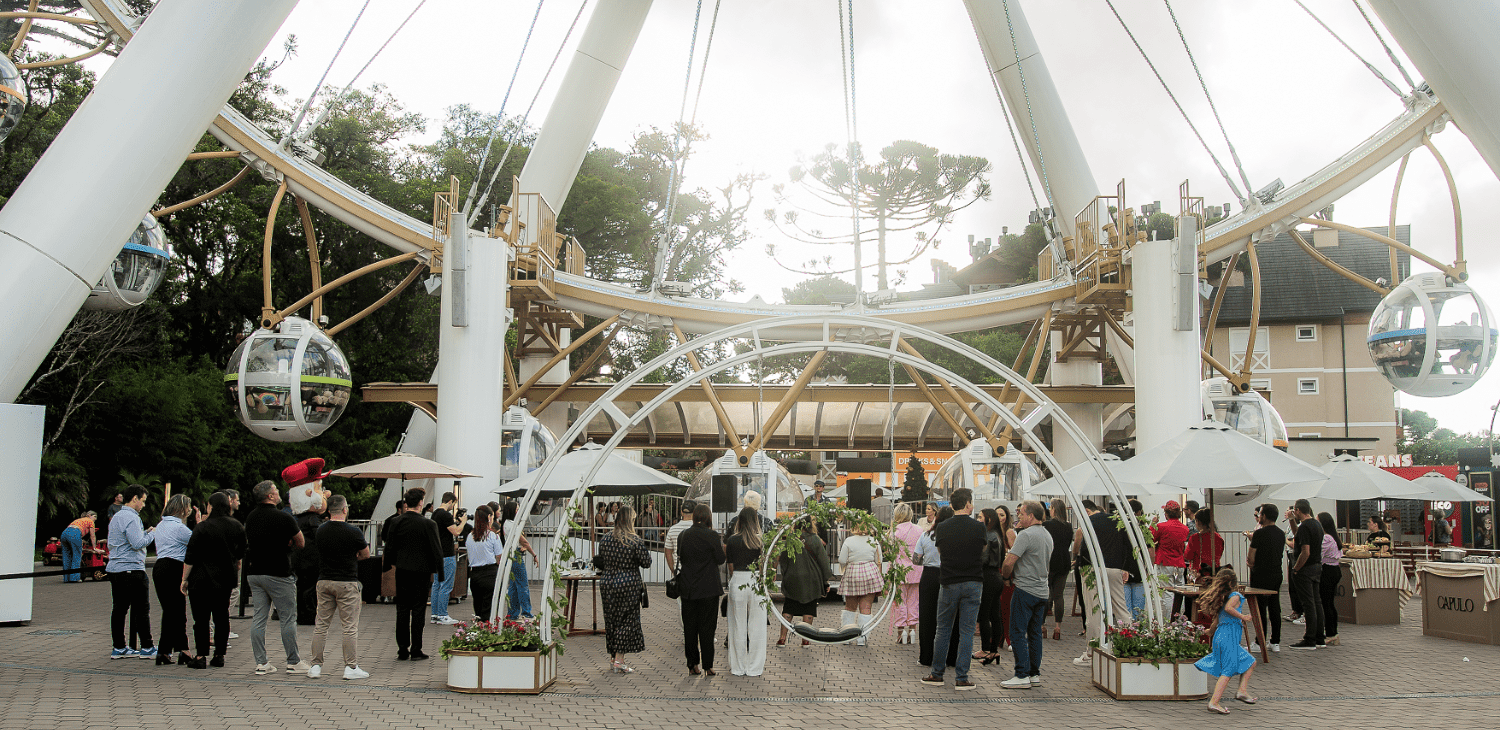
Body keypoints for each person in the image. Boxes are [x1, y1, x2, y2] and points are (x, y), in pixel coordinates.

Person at [920, 487, 986, 691]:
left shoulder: (942, 527)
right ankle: (962, 677)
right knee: (966, 631)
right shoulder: (979, 527)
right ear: (967, 504)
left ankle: (937, 673)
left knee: (943, 629)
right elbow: (982, 550)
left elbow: (940, 551)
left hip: (949, 581)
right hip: (973, 581)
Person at [243, 479, 309, 675]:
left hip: (255, 572)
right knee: (288, 617)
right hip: (279, 572)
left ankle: (262, 662)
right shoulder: (284, 518)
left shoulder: (251, 518)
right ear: (270, 496)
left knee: (259, 618)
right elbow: (301, 542)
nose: (279, 492)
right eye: (276, 490)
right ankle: (293, 661)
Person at [308, 494, 371, 680]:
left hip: (324, 580)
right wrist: (352, 558)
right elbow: (366, 554)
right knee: (349, 626)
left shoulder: (321, 530)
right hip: (346, 582)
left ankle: (315, 666)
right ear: (345, 509)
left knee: (321, 625)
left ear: (329, 510)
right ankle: (350, 667)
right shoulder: (354, 532)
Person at [182, 492, 246, 669]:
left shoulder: (202, 527)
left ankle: (201, 655)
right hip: (225, 578)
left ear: (211, 506)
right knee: (222, 616)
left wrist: (184, 579)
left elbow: (191, 556)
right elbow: (241, 552)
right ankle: (219, 655)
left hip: (201, 579)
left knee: (201, 619)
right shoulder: (237, 526)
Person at [384, 488, 444, 660]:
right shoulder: (429, 524)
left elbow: (390, 546)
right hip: (422, 572)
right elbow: (436, 550)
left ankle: (402, 648)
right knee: (418, 610)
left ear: (405, 503)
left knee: (402, 609)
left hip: (402, 570)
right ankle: (416, 649)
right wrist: (440, 573)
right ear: (420, 503)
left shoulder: (396, 522)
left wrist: (388, 564)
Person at [1002, 501, 1054, 690]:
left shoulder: (1026, 535)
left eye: (1021, 514)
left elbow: (1009, 561)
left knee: (1017, 631)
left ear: (1031, 516)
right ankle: (1034, 673)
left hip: (1025, 588)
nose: (1019, 517)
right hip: (1042, 589)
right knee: (1034, 633)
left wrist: (1006, 577)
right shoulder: (1047, 535)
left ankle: (1021, 673)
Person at [1071, 499, 1128, 665]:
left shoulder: (1089, 522)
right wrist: (1124, 567)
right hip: (1114, 568)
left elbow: (1082, 548)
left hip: (1091, 568)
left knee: (1093, 610)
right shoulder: (1116, 520)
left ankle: (1091, 653)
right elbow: (1126, 545)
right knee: (1120, 607)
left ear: (1087, 511)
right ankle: (1128, 644)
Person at [1194, 567, 1258, 714]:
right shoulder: (1235, 596)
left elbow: (1216, 620)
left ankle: (1242, 691)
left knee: (1250, 662)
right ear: (1233, 583)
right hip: (1228, 637)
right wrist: (1244, 617)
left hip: (1221, 637)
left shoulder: (1222, 599)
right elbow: (1230, 609)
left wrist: (1210, 631)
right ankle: (1214, 702)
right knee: (1228, 670)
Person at [597, 504, 651, 674]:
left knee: (611, 620)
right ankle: (619, 660)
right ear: (630, 520)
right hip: (628, 584)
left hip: (607, 582)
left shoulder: (605, 539)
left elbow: (601, 560)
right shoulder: (634, 540)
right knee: (627, 620)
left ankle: (613, 658)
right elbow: (646, 562)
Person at [106, 484, 157, 660]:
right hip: (132, 569)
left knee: (119, 609)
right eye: (142, 501)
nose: (143, 505)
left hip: (116, 569)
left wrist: (145, 532)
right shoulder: (131, 517)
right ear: (134, 498)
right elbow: (136, 543)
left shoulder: (117, 516)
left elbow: (126, 539)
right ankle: (147, 647)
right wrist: (153, 534)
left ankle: (119, 647)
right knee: (141, 609)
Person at [677, 503, 726, 676]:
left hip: (688, 588)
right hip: (708, 589)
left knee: (690, 628)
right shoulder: (712, 535)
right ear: (708, 517)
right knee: (707, 628)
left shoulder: (683, 535)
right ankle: (708, 665)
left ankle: (692, 665)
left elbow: (681, 557)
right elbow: (720, 560)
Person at [151, 495, 195, 666]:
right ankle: (181, 650)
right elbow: (198, 542)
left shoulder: (161, 525)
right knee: (176, 611)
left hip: (160, 567)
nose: (190, 510)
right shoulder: (179, 528)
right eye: (188, 507)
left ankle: (165, 650)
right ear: (182, 509)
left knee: (170, 610)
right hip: (174, 567)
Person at [776, 518, 832, 647]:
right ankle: (805, 639)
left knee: (789, 607)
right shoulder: (815, 539)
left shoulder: (790, 539)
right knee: (809, 608)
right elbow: (823, 561)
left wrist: (786, 574)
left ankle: (782, 639)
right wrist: (825, 581)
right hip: (811, 578)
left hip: (793, 577)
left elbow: (783, 559)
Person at [725, 506, 765, 676]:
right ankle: (754, 667)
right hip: (755, 579)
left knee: (737, 625)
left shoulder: (732, 540)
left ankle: (738, 666)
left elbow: (730, 566)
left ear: (739, 520)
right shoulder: (760, 541)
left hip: (738, 580)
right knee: (757, 625)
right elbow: (763, 566)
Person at [916, 506, 958, 668]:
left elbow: (916, 559)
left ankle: (926, 656)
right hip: (950, 574)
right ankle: (951, 657)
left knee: (927, 617)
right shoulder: (955, 536)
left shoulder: (926, 535)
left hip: (929, 576)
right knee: (952, 616)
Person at [1245, 503, 1285, 653]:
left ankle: (1259, 640)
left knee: (1260, 608)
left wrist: (1251, 564)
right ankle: (1275, 642)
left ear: (1265, 516)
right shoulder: (1281, 534)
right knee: (1275, 607)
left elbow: (1251, 555)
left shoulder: (1259, 534)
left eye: (1260, 514)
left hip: (1260, 574)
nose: (1258, 517)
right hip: (1276, 574)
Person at [288, 480, 327, 626]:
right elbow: (319, 536)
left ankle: (302, 613)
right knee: (310, 588)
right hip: (311, 559)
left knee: (302, 586)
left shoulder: (299, 519)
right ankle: (309, 614)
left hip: (299, 558)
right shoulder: (312, 519)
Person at [1288, 499, 1326, 649]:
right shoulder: (1317, 525)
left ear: (1298, 510)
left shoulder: (1305, 526)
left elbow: (1305, 551)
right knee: (1317, 602)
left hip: (1306, 568)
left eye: (1295, 511)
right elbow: (1298, 535)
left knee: (1308, 603)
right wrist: (1291, 520)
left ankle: (1309, 639)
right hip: (1317, 566)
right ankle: (1319, 638)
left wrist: (1296, 568)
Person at [429, 491, 467, 626]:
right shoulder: (445, 515)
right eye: (453, 504)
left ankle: (435, 614)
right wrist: (463, 522)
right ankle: (443, 614)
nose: (453, 507)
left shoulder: (434, 514)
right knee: (446, 585)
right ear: (450, 502)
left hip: (436, 554)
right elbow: (456, 532)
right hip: (447, 554)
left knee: (436, 585)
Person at [975, 508, 1008, 663]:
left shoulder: (989, 536)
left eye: (980, 517)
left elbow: (983, 558)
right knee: (995, 615)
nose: (978, 519)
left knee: (984, 615)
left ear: (988, 519)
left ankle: (986, 649)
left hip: (987, 577)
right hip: (996, 576)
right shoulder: (997, 535)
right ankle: (993, 650)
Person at [890, 503, 923, 644]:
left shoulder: (894, 531)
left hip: (899, 569)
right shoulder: (919, 530)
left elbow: (890, 552)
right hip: (916, 569)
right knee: (914, 601)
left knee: (900, 601)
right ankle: (913, 631)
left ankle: (901, 633)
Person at [500, 501, 539, 619]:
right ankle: (526, 612)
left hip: (510, 555)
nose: (518, 511)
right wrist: (534, 554)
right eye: (517, 509)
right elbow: (524, 541)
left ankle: (513, 612)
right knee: (522, 585)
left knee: (513, 586)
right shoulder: (511, 524)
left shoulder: (506, 523)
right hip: (516, 556)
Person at [1042, 501, 1073, 641]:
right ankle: (1058, 626)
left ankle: (1042, 625)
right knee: (1059, 595)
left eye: (1050, 508)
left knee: (1045, 594)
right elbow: (1067, 544)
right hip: (1064, 560)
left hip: (1049, 561)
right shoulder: (1068, 526)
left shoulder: (1046, 525)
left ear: (1054, 509)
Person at [466, 505, 502, 621]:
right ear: (488, 517)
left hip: (475, 574)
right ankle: (488, 631)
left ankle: (479, 630)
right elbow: (499, 557)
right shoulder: (493, 536)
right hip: (489, 573)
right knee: (489, 607)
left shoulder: (470, 536)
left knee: (478, 606)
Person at [1317, 512, 1344, 646]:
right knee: (1329, 603)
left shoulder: (1326, 538)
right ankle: (1333, 633)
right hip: (1333, 570)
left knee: (1326, 603)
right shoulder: (1333, 537)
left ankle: (1330, 633)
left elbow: (1319, 554)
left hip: (1328, 570)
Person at [1151, 500, 1189, 586]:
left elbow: (1150, 538)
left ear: (1166, 513)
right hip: (1179, 563)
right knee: (1179, 592)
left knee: (1166, 593)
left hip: (1165, 562)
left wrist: (1153, 524)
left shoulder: (1161, 527)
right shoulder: (1185, 528)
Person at [1185, 508, 1225, 581]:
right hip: (1214, 573)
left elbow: (1188, 556)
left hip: (1198, 573)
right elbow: (1219, 554)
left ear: (1199, 522)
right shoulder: (1218, 537)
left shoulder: (1195, 538)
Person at [61, 511, 99, 583]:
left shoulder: (78, 520)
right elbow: (92, 535)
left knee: (66, 556)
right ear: (89, 515)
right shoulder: (90, 521)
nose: (95, 519)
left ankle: (66, 578)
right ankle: (74, 578)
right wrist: (94, 547)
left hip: (64, 533)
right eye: (95, 516)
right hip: (75, 533)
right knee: (77, 556)